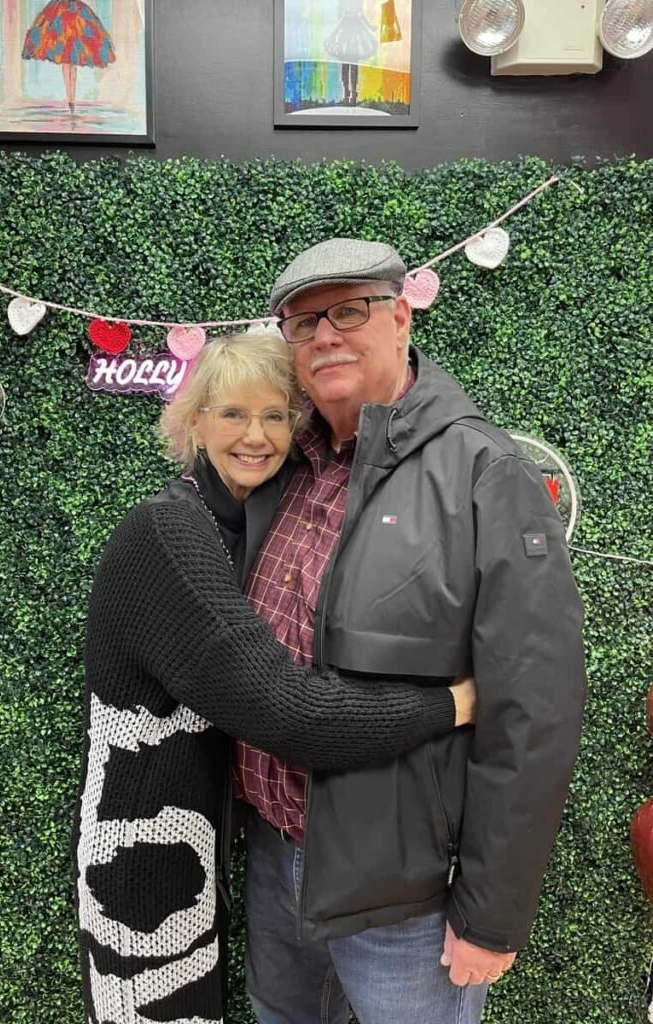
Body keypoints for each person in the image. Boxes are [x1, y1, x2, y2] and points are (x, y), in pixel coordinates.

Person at [74, 330, 477, 1024]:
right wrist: (452, 704)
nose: (255, 435)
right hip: (140, 862)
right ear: (193, 422)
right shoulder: (171, 534)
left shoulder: (236, 526)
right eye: (232, 413)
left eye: (274, 416)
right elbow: (289, 714)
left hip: (189, 849)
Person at [235, 239, 587, 1024]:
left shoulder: (483, 471)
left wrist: (491, 914)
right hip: (274, 857)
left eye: (348, 311)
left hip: (404, 898)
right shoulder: (278, 465)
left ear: (400, 317)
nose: (325, 336)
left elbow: (535, 708)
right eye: (303, 322)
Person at [22, 0, 116, 116]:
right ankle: (70, 99)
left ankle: (71, 99)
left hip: (75, 14)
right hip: (62, 13)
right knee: (67, 58)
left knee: (72, 58)